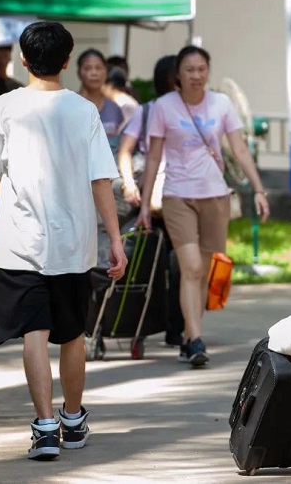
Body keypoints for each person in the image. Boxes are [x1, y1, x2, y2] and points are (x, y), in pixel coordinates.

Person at [0, 21, 128, 460]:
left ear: (23, 59)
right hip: (72, 243)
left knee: (34, 334)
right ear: (67, 61)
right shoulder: (84, 110)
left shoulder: (3, 106)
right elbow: (101, 180)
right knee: (72, 334)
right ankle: (73, 421)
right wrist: (115, 240)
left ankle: (44, 429)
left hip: (18, 242)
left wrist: (13, 195)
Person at [137, 45, 271, 367]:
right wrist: (144, 204)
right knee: (192, 267)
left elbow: (239, 149)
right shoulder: (164, 107)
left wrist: (258, 189)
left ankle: (189, 334)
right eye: (190, 70)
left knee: (202, 271)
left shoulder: (222, 104)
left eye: (201, 69)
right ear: (178, 75)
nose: (196, 75)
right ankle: (196, 339)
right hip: (177, 195)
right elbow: (153, 157)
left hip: (215, 196)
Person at [117, 54, 184, 347]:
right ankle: (144, 325)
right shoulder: (147, 112)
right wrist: (129, 183)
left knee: (181, 268)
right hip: (153, 201)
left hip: (183, 199)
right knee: (148, 267)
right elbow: (125, 150)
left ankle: (177, 328)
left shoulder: (192, 110)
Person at [76, 48, 124, 157]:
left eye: (98, 68)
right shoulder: (70, 106)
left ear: (106, 72)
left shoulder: (114, 108)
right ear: (79, 73)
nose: (94, 73)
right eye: (88, 68)